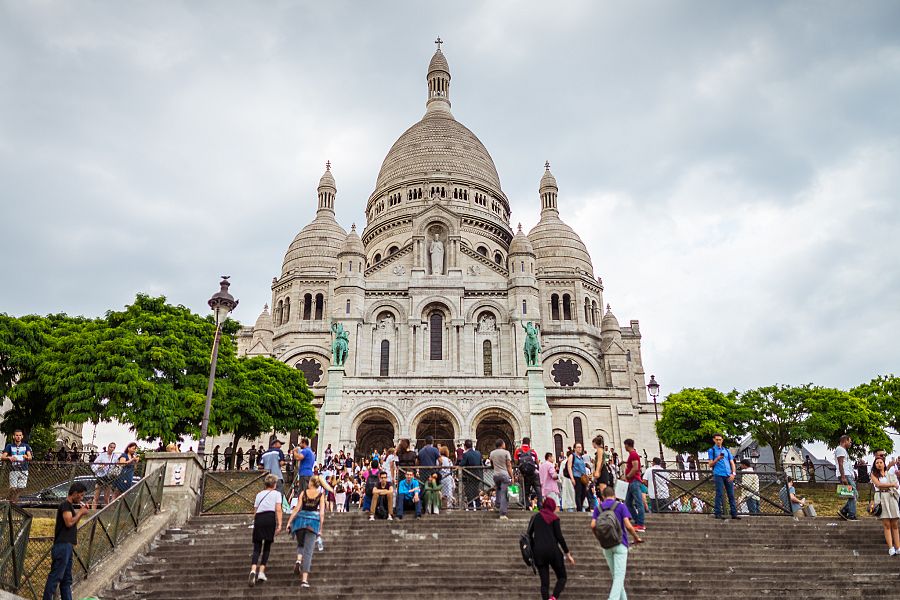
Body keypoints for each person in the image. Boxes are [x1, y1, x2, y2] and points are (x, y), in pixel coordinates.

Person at [593, 486, 643, 600]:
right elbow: (628, 525)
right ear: (614, 495)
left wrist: (599, 538)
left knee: (616, 577)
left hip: (606, 545)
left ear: (603, 497)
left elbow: (592, 525)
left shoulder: (598, 508)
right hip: (620, 543)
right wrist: (636, 537)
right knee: (619, 577)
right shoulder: (620, 506)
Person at [42, 481, 90, 600]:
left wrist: (80, 513)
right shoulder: (65, 505)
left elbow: (72, 523)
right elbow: (69, 523)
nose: (82, 498)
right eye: (81, 495)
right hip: (62, 546)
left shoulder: (70, 508)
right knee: (56, 577)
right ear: (74, 493)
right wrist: (81, 512)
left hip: (67, 546)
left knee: (66, 579)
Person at [527, 497, 574, 600]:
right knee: (562, 577)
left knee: (544, 583)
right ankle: (553, 597)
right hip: (553, 551)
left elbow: (528, 535)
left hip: (538, 552)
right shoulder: (554, 518)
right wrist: (567, 553)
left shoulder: (535, 517)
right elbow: (559, 537)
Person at [286, 475, 326, 589]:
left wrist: (289, 522)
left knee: (300, 543)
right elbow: (322, 513)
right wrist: (321, 529)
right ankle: (304, 580)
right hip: (313, 523)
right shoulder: (320, 495)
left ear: (311, 483)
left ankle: (298, 560)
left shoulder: (303, 493)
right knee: (308, 552)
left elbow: (297, 508)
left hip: (300, 521)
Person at [248, 474, 283, 586]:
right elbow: (278, 509)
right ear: (274, 484)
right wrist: (280, 524)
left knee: (257, 547)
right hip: (269, 517)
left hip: (259, 518)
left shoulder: (259, 494)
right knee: (267, 546)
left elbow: (255, 510)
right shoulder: (277, 494)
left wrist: (256, 522)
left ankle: (253, 570)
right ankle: (261, 571)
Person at [870, 456, 900, 555]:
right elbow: (879, 485)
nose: (879, 464)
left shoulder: (889, 473)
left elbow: (897, 484)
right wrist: (891, 485)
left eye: (880, 462)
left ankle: (898, 547)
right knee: (886, 524)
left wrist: (893, 484)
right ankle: (891, 548)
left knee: (895, 524)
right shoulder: (873, 475)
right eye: (877, 462)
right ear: (875, 465)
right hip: (881, 498)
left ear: (884, 463)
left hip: (891, 497)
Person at [707, 434, 739, 520]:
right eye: (717, 439)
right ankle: (718, 513)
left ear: (722, 440)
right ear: (714, 440)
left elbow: (732, 463)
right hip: (718, 474)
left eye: (720, 439)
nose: (718, 441)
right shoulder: (712, 450)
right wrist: (717, 459)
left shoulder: (726, 450)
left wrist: (733, 474)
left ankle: (734, 513)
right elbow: (710, 464)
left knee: (731, 494)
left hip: (728, 474)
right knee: (719, 493)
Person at [2, 429, 33, 503]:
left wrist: (26, 457)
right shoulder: (9, 446)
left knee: (21, 488)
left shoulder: (26, 446)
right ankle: (9, 500)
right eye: (17, 435)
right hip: (13, 470)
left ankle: (13, 501)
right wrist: (9, 457)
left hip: (24, 470)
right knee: (13, 488)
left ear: (22, 436)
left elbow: (30, 457)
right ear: (13, 436)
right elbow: (2, 457)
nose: (18, 437)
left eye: (20, 435)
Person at [621, 439, 645, 530]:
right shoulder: (632, 454)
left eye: (625, 445)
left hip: (634, 481)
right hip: (631, 482)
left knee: (639, 503)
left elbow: (635, 467)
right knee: (628, 503)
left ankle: (641, 524)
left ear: (627, 445)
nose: (624, 447)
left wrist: (628, 476)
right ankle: (637, 521)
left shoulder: (633, 454)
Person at [490, 438, 514, 520]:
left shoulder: (492, 453)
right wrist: (512, 476)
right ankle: (503, 513)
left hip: (496, 475)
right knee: (504, 494)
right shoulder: (506, 452)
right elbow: (509, 465)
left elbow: (491, 464)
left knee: (498, 489)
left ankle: (498, 505)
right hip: (504, 475)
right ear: (502, 444)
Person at [515, 436, 542, 506]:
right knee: (537, 488)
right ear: (529, 443)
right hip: (534, 473)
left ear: (522, 442)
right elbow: (537, 462)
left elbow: (516, 461)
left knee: (526, 490)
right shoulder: (533, 451)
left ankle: (526, 504)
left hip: (525, 474)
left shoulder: (518, 451)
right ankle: (540, 504)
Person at [835, 434, 857, 520]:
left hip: (847, 474)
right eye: (850, 441)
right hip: (845, 474)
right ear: (845, 441)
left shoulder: (842, 450)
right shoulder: (840, 449)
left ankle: (844, 510)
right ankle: (851, 514)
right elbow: (840, 463)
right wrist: (843, 477)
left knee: (853, 494)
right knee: (853, 494)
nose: (851, 443)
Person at [91, 442, 119, 508]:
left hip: (109, 477)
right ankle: (92, 513)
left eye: (114, 447)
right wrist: (100, 466)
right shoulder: (102, 455)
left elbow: (117, 465)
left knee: (106, 498)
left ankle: (107, 513)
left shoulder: (115, 456)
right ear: (108, 447)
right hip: (101, 476)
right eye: (111, 447)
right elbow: (94, 464)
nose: (112, 449)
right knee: (96, 497)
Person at [459, 438, 483, 509]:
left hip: (469, 477)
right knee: (476, 492)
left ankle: (471, 507)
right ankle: (478, 507)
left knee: (469, 493)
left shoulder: (466, 454)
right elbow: (480, 464)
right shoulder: (478, 453)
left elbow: (462, 465)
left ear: (465, 446)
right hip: (477, 476)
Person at [567, 443, 589, 512]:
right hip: (576, 476)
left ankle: (580, 507)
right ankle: (579, 510)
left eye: (580, 447)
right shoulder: (572, 456)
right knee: (578, 493)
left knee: (584, 493)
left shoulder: (581, 457)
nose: (580, 448)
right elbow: (569, 467)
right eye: (578, 447)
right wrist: (572, 478)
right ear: (575, 449)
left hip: (583, 477)